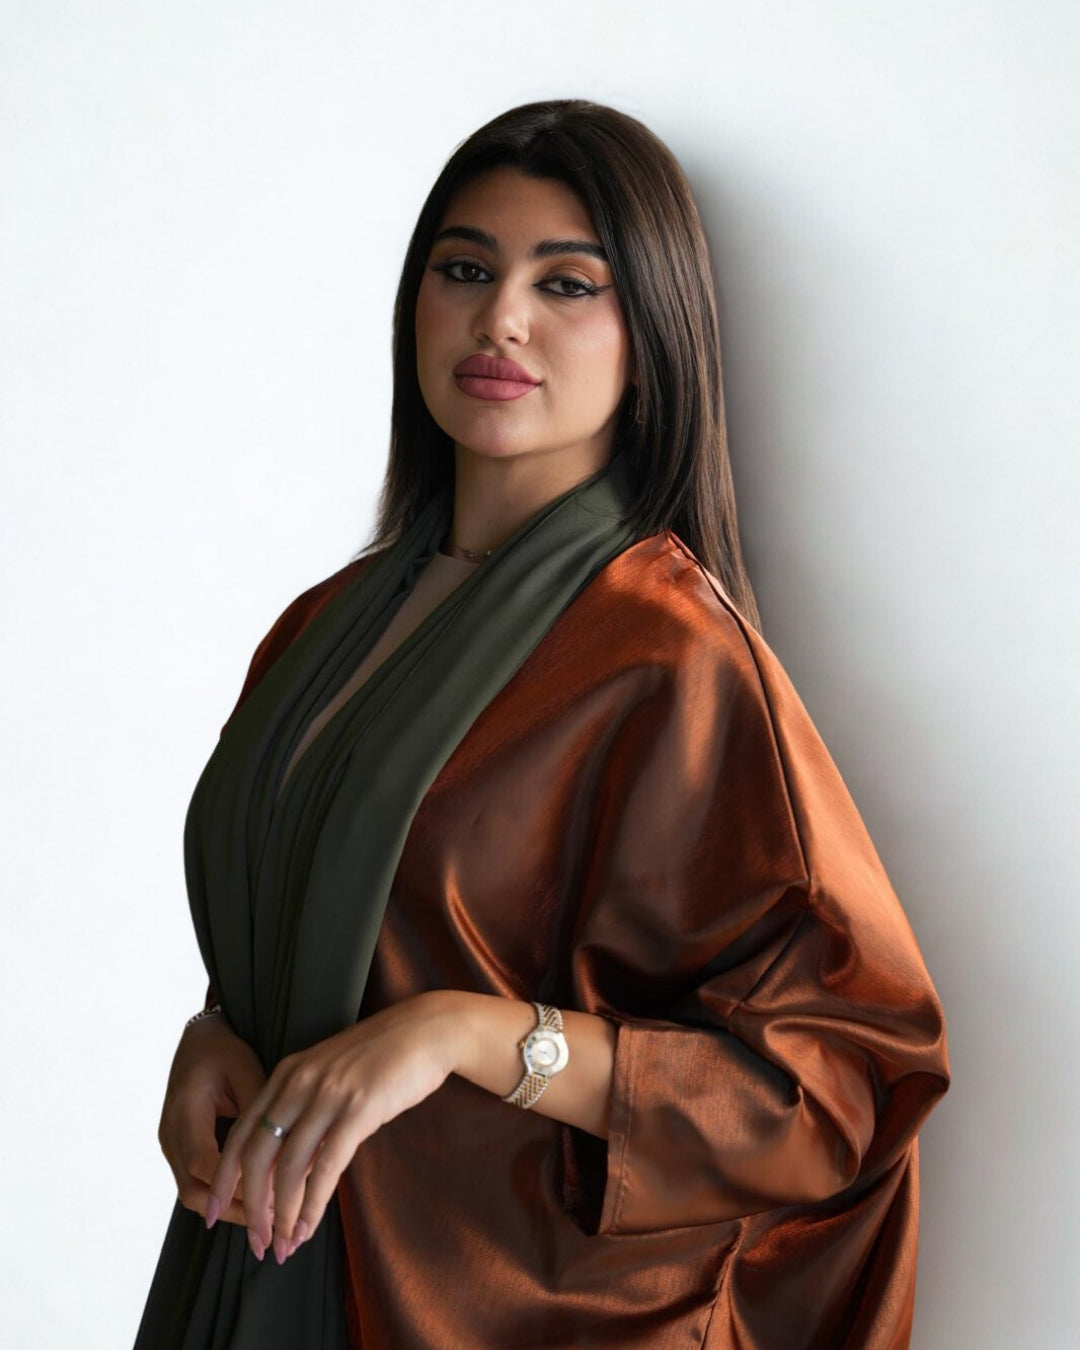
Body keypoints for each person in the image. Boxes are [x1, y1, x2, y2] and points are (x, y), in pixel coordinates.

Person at [136, 99, 950, 1350]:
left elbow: (833, 1084)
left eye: (568, 284)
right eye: (465, 269)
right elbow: (326, 912)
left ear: (652, 334)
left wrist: (467, 1033)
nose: (501, 318)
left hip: (497, 1304)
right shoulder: (324, 627)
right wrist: (217, 1034)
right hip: (264, 1272)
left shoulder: (668, 654)